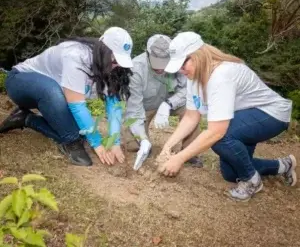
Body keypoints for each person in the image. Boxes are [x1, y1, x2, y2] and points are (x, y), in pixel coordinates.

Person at [157, 31, 297, 201]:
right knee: (230, 173)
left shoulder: (222, 75)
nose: (180, 70)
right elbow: (191, 117)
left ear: (197, 56)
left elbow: (216, 132)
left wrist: (179, 158)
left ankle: (253, 182)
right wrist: (168, 146)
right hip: (243, 118)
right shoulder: (194, 79)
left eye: (182, 64)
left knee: (221, 139)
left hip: (272, 114)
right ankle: (283, 165)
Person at [0, 27, 134, 167]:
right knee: (55, 98)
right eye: (115, 61)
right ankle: (71, 141)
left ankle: (25, 118)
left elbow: (113, 103)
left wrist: (114, 142)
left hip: (51, 96)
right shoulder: (76, 56)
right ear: (103, 50)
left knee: (81, 133)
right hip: (20, 83)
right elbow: (77, 105)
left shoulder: (110, 65)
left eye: (120, 62)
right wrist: (97, 144)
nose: (117, 66)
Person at [124, 34, 201, 170]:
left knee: (192, 109)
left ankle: (190, 152)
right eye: (156, 62)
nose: (160, 68)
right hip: (145, 107)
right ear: (147, 54)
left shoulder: (179, 63)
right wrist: (143, 139)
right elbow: (134, 108)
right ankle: (144, 143)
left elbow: (188, 90)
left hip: (171, 102)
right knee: (133, 145)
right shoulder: (136, 69)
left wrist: (168, 104)